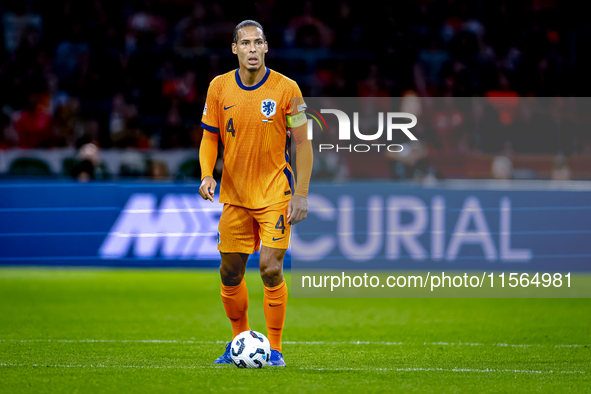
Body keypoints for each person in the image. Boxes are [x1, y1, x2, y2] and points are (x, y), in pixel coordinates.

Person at [198, 20, 313, 367]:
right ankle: (238, 341)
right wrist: (206, 174)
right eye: (245, 43)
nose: (252, 49)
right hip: (235, 196)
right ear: (234, 49)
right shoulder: (218, 88)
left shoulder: (287, 89)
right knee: (229, 273)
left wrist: (301, 193)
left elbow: (303, 144)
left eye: (257, 42)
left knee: (269, 268)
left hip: (276, 193)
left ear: (266, 47)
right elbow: (209, 137)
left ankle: (275, 349)